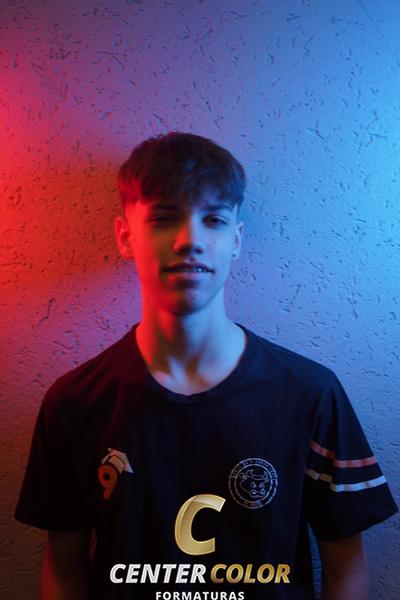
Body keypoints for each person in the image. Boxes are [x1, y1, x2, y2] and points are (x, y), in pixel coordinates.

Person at [15, 132, 398, 600]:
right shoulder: (74, 403)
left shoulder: (311, 394)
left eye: (213, 219)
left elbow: (347, 570)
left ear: (235, 240)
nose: (189, 240)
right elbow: (64, 572)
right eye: (163, 218)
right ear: (125, 237)